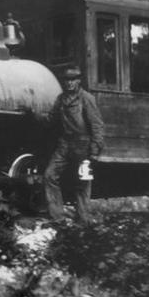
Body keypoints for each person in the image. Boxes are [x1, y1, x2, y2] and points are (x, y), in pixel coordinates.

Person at [44, 64, 104, 223]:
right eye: (66, 80)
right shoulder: (61, 99)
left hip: (83, 144)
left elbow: (97, 125)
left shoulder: (87, 99)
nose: (69, 83)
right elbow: (51, 120)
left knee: (83, 182)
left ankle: (84, 219)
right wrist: (33, 115)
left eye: (73, 80)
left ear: (79, 81)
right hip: (64, 144)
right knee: (49, 175)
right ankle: (58, 217)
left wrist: (95, 151)